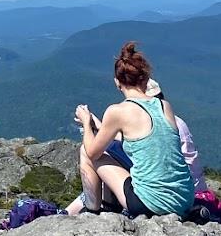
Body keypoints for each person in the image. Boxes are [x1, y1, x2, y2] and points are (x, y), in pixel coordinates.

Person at [70, 41, 196, 217]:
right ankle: (106, 205)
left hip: (151, 204)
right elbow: (143, 140)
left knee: (85, 150)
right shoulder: (164, 106)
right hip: (185, 200)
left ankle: (92, 210)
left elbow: (93, 153)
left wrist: (85, 122)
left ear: (117, 82)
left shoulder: (117, 111)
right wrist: (99, 126)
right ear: (145, 78)